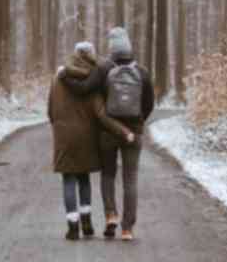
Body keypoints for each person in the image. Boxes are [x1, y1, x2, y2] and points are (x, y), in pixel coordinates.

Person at [60, 27, 155, 242]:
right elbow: (149, 103)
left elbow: (84, 89)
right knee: (130, 180)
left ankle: (111, 216)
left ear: (111, 49)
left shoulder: (104, 68)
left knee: (108, 175)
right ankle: (127, 229)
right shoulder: (142, 72)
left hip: (107, 133)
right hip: (134, 131)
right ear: (129, 47)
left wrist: (64, 77)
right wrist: (138, 124)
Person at [47, 41, 134, 241]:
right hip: (86, 136)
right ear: (91, 56)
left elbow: (50, 110)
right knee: (83, 178)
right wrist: (124, 131)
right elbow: (102, 115)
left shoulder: (58, 78)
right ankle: (87, 223)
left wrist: (59, 126)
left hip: (64, 137)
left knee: (68, 178)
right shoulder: (93, 79)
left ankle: (72, 227)